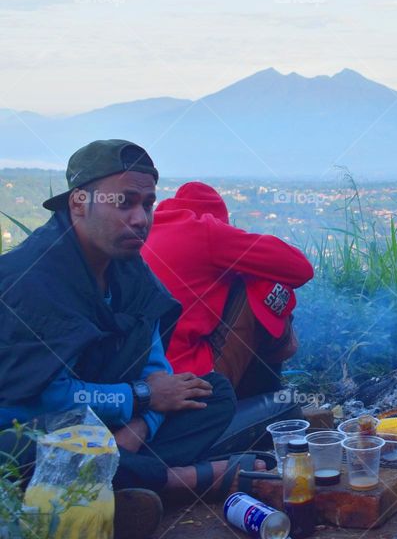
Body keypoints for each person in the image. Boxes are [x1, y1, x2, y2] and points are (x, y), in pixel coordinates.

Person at [0, 141, 258, 539]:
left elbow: (158, 372)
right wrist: (139, 397)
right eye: (124, 203)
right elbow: (46, 397)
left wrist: (138, 427)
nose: (140, 218)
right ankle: (180, 480)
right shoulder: (30, 280)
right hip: (32, 426)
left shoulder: (129, 269)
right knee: (28, 443)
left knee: (212, 392)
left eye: (148, 204)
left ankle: (108, 482)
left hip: (114, 429)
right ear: (79, 203)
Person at [142, 182, 314, 399]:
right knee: (259, 285)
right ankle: (265, 397)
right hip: (186, 378)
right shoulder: (204, 230)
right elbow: (300, 268)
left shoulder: (147, 228)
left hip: (144, 378)